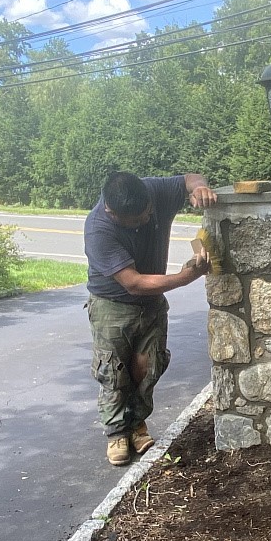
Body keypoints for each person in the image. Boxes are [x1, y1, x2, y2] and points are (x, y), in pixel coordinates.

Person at [84, 169, 217, 465]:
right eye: (137, 220)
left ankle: (137, 424)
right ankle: (117, 433)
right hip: (112, 306)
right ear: (112, 212)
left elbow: (189, 178)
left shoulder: (151, 192)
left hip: (151, 304)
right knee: (115, 371)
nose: (146, 221)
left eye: (148, 214)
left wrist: (199, 188)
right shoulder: (98, 229)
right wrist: (184, 278)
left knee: (147, 367)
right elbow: (133, 282)